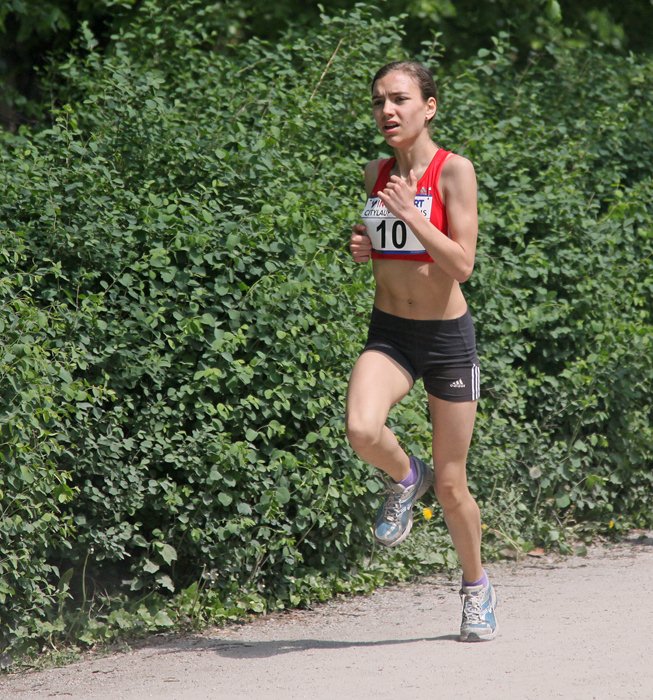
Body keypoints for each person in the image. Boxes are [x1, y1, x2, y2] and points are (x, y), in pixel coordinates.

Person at [346, 60, 497, 642]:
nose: (387, 110)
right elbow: (384, 244)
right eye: (378, 101)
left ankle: (476, 587)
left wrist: (411, 213)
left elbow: (462, 263)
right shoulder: (376, 172)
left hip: (447, 340)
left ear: (428, 107)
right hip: (390, 332)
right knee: (362, 429)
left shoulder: (454, 170)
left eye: (400, 99)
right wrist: (364, 244)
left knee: (453, 486)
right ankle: (408, 476)